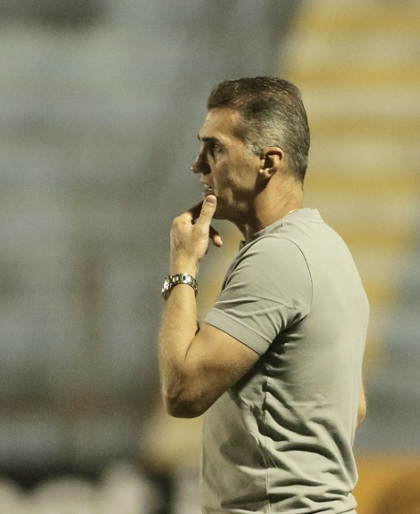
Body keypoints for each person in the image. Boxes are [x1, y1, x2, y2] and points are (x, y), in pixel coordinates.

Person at [157, 76, 369, 513]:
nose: (199, 164)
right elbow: (354, 405)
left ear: (268, 163)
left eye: (215, 148)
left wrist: (182, 269)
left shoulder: (278, 258)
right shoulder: (325, 247)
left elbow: (183, 390)